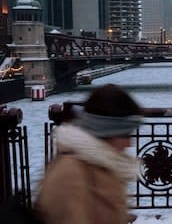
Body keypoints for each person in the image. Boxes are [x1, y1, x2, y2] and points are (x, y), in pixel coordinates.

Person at [35, 84, 143, 224]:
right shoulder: (70, 174)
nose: (129, 143)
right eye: (124, 134)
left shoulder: (104, 164)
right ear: (104, 132)